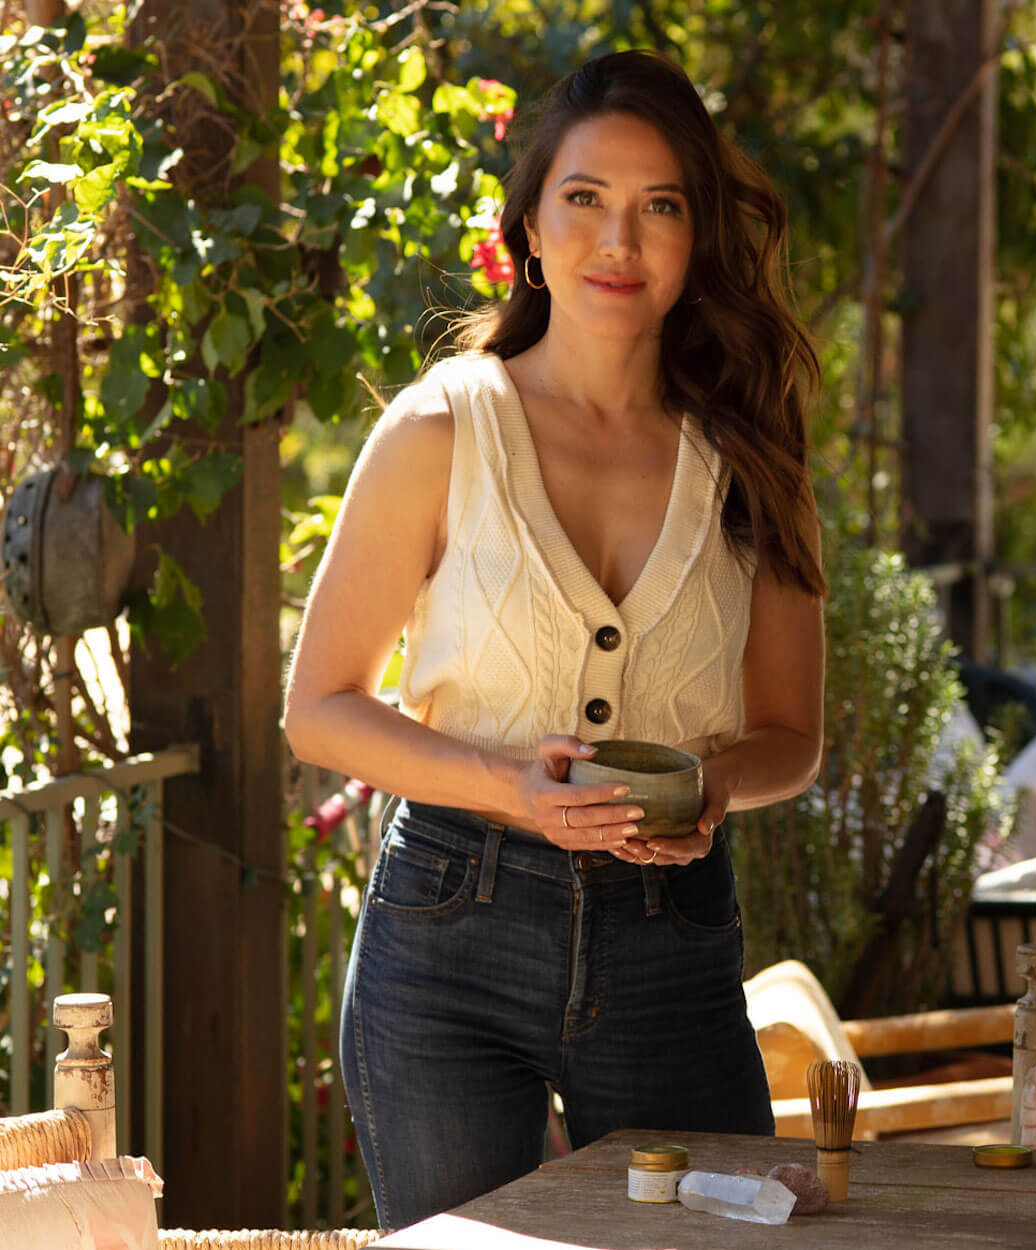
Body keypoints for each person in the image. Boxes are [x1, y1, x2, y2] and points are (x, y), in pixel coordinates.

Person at [282, 49, 826, 1232]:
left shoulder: (751, 458)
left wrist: (709, 783)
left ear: (695, 243)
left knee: (714, 1234)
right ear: (528, 226)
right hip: (447, 933)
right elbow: (318, 703)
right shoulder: (439, 428)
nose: (617, 240)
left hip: (669, 941)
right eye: (584, 199)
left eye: (659, 207)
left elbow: (792, 734)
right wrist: (504, 785)